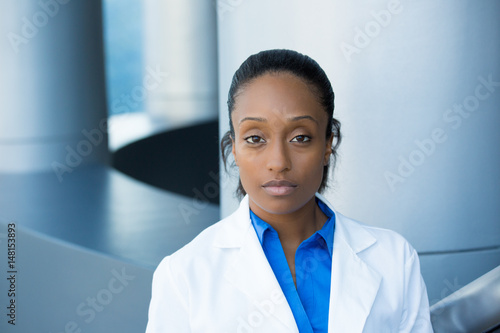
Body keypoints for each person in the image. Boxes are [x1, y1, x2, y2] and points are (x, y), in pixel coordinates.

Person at [146, 49, 433, 332]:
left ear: (327, 144)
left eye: (300, 137)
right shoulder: (183, 274)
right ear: (234, 148)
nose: (278, 162)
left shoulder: (394, 259)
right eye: (255, 138)